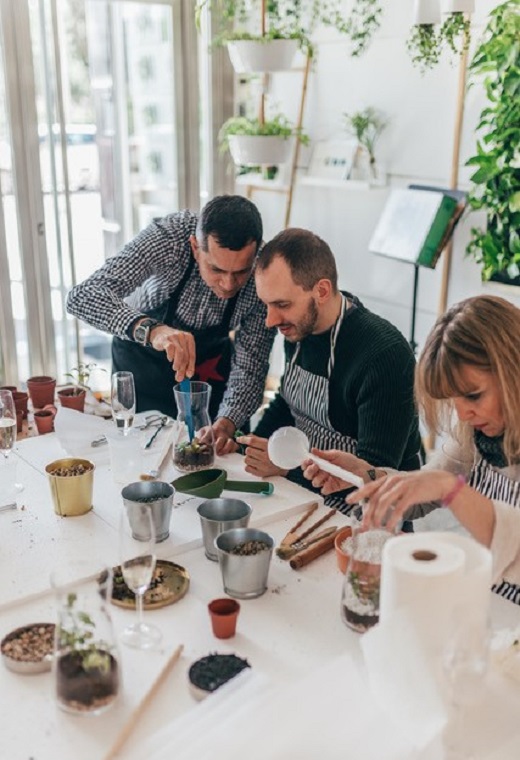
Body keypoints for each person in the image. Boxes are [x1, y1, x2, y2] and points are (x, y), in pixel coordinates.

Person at [303, 295, 520, 598]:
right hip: (490, 596)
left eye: (473, 396)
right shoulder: (476, 432)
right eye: (454, 400)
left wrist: (451, 489)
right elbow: (423, 493)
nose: (463, 414)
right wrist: (366, 475)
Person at [66, 195, 275, 453]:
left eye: (241, 272)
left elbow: (250, 366)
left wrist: (227, 422)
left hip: (208, 372)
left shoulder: (265, 271)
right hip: (142, 362)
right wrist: (151, 330)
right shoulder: (168, 239)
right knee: (142, 455)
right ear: (195, 247)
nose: (229, 284)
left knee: (212, 460)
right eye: (217, 270)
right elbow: (82, 296)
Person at [237, 227, 422, 516]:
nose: (270, 321)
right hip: (301, 492)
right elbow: (288, 403)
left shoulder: (383, 356)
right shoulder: (299, 329)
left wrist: (285, 468)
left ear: (321, 291)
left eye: (282, 305)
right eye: (266, 305)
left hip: (364, 513)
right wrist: (245, 449)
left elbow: (375, 477)